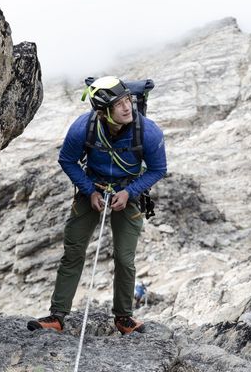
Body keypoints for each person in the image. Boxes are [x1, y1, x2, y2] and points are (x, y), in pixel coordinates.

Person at [27, 76, 167, 335]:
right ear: (104, 112)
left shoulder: (148, 132)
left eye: (128, 100)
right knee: (74, 250)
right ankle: (57, 315)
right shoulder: (84, 128)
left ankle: (124, 317)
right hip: (93, 187)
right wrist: (89, 191)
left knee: (125, 258)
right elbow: (67, 160)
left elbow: (158, 169)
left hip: (130, 193)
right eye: (119, 104)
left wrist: (129, 192)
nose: (127, 107)